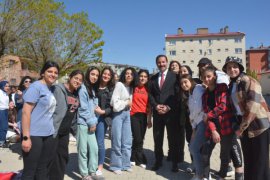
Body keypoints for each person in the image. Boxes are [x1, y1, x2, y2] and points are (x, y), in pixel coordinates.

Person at [222, 56, 270, 180]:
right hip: (244, 127)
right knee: (249, 159)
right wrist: (237, 126)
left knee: (260, 161)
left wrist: (241, 127)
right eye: (229, 67)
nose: (232, 69)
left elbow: (253, 105)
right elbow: (233, 109)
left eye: (235, 67)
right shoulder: (231, 85)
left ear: (240, 68)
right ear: (226, 70)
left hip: (258, 126)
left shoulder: (248, 80)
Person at [200, 66, 243, 180]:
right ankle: (205, 175)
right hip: (213, 127)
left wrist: (208, 115)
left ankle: (223, 175)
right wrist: (213, 130)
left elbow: (223, 106)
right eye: (204, 77)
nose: (207, 79)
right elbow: (206, 114)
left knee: (225, 153)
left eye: (209, 76)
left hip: (226, 125)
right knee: (205, 152)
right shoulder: (204, 95)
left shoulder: (223, 88)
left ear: (214, 76)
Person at [21, 61, 59, 179]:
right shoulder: (36, 87)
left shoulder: (51, 89)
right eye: (50, 71)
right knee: (30, 172)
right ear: (43, 73)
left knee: (42, 169)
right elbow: (26, 112)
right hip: (34, 135)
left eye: (55, 72)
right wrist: (26, 137)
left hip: (48, 135)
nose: (53, 74)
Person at [49, 70, 84, 180]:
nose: (77, 81)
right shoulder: (58, 89)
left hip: (65, 131)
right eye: (76, 78)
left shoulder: (76, 94)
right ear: (70, 77)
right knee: (50, 157)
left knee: (62, 157)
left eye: (80, 80)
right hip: (53, 130)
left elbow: (73, 113)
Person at [149, 55, 180, 172]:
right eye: (159, 62)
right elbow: (150, 94)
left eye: (163, 62)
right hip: (157, 114)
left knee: (173, 139)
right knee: (157, 139)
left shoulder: (175, 77)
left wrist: (168, 106)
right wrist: (156, 106)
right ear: (156, 64)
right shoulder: (153, 78)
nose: (161, 64)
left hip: (171, 113)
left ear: (166, 62)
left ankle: (175, 162)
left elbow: (177, 94)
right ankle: (158, 161)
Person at [109, 67, 138, 175]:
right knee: (117, 140)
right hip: (118, 114)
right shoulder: (119, 85)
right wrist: (126, 103)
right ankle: (115, 166)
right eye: (127, 73)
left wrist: (127, 105)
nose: (129, 75)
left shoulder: (131, 87)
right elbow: (114, 103)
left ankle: (126, 164)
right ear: (123, 75)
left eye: (131, 74)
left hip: (126, 114)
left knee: (127, 140)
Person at [180, 74, 206, 180]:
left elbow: (199, 108)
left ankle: (200, 175)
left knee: (194, 148)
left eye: (185, 82)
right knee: (193, 147)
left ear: (191, 80)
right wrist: (194, 128)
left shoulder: (199, 88)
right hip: (197, 124)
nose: (184, 85)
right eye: (182, 83)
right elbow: (192, 112)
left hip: (204, 122)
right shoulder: (190, 94)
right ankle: (201, 172)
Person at [77, 66, 100, 180]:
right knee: (83, 150)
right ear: (88, 74)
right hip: (82, 123)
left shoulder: (93, 89)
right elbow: (82, 109)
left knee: (94, 148)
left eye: (96, 75)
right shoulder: (82, 88)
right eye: (92, 74)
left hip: (92, 123)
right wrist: (92, 123)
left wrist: (94, 122)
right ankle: (84, 174)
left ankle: (92, 171)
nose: (94, 77)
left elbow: (96, 107)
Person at [94, 67, 115, 177]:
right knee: (91, 142)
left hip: (103, 118)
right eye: (104, 73)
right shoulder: (95, 86)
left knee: (100, 142)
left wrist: (103, 112)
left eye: (108, 74)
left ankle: (100, 166)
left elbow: (112, 107)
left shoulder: (111, 89)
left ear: (111, 77)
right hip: (91, 117)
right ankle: (92, 163)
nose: (106, 76)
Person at [130, 69, 152, 169]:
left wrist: (149, 120)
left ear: (147, 78)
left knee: (140, 139)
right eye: (141, 76)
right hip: (133, 114)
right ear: (138, 77)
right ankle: (139, 159)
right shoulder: (133, 87)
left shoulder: (148, 89)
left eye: (145, 76)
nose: (142, 78)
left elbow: (149, 106)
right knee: (137, 137)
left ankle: (132, 157)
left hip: (143, 116)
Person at [0, 80, 10, 148]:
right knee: (3, 126)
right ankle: (2, 142)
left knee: (4, 126)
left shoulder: (5, 93)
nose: (7, 87)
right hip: (1, 111)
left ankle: (2, 140)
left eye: (8, 86)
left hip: (5, 110)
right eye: (6, 86)